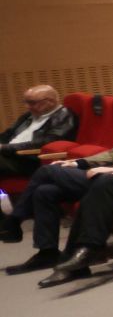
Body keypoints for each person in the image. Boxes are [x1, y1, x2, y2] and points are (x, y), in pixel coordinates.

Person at [8, 88, 113, 279]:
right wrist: (78, 162)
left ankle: (15, 219)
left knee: (47, 171)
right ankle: (48, 252)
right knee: (46, 191)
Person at [0, 87, 78, 219]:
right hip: (11, 155)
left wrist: (5, 148)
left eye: (32, 102)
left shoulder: (64, 116)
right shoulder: (28, 116)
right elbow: (7, 134)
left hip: (31, 159)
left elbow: (45, 143)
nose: (27, 106)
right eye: (26, 102)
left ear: (50, 101)